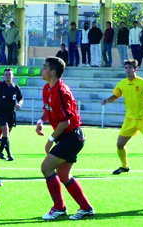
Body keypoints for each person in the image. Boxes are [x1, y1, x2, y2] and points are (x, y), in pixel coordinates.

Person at [37, 57, 94, 221]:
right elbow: (48, 109)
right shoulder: (47, 88)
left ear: (53, 72)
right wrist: (41, 121)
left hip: (72, 137)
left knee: (46, 167)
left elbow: (66, 121)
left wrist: (50, 139)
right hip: (67, 137)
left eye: (45, 67)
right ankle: (85, 208)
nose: (42, 69)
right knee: (63, 175)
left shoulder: (62, 92)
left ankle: (59, 208)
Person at [101, 59, 143, 177]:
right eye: (126, 68)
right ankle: (124, 166)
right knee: (119, 144)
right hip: (129, 119)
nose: (127, 70)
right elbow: (116, 95)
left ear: (135, 69)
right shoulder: (122, 83)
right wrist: (107, 100)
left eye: (130, 68)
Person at [0, 68, 23, 161]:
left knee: (7, 134)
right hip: (1, 112)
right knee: (5, 131)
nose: (7, 76)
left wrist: (19, 104)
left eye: (9, 74)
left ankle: (1, 152)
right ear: (3, 76)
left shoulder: (15, 87)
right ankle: (8, 154)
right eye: (6, 74)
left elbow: (20, 98)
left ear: (12, 76)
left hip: (11, 113)